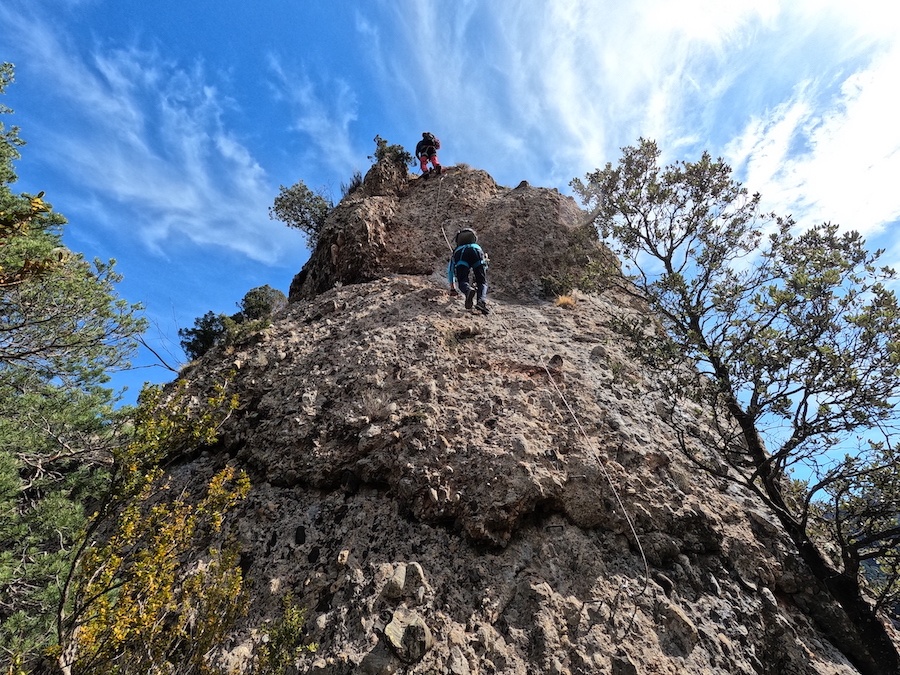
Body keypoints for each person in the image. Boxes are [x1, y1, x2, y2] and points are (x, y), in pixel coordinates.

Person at [447, 228, 489, 315]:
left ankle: (468, 290)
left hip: (461, 255)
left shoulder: (457, 250)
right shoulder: (477, 246)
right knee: (482, 282)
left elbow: (450, 270)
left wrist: (452, 288)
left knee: (463, 281)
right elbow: (484, 267)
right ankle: (481, 301)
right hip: (477, 253)